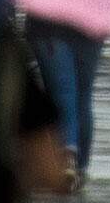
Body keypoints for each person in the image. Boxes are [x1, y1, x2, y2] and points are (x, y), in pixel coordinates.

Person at [23, 15, 104, 190]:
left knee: (62, 91)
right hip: (91, 25)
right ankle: (80, 166)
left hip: (48, 24)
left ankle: (68, 157)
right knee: (83, 95)